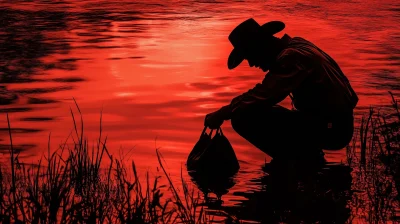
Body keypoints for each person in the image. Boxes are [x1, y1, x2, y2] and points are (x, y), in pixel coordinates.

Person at [204, 18, 358, 160]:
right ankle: (303, 156)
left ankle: (295, 160)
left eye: (250, 56)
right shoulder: (298, 44)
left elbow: (264, 95)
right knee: (257, 110)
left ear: (261, 46)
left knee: (242, 116)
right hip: (335, 122)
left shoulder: (291, 58)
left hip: (333, 129)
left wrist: (224, 112)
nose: (251, 63)